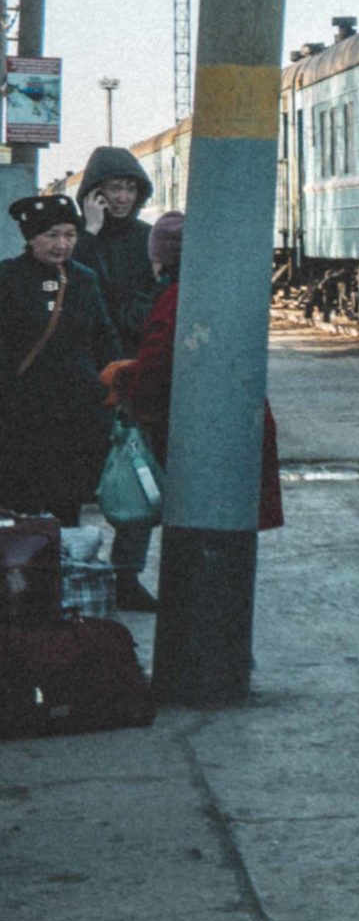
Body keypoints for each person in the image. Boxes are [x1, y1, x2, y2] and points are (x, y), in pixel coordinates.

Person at [103, 213, 284, 541]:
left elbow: (157, 366)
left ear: (163, 260)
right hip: (241, 423)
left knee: (200, 531)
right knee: (232, 529)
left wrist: (125, 379)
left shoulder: (176, 298)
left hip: (204, 434)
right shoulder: (225, 288)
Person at [73, 147, 159, 607]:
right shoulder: (78, 237)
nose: (123, 197)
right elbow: (72, 282)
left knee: (134, 476)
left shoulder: (146, 240)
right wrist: (88, 232)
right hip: (83, 376)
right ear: (96, 193)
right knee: (73, 478)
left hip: (127, 372)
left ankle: (127, 576)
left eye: (130, 188)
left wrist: (114, 316)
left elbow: (153, 297)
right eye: (114, 188)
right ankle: (68, 568)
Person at [0, 195, 116, 526]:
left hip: (76, 418)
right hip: (20, 420)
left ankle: (60, 574)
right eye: (51, 234)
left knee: (67, 506)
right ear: (30, 237)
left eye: (69, 235)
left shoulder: (84, 279)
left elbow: (104, 339)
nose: (61, 244)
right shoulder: (7, 278)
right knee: (19, 510)